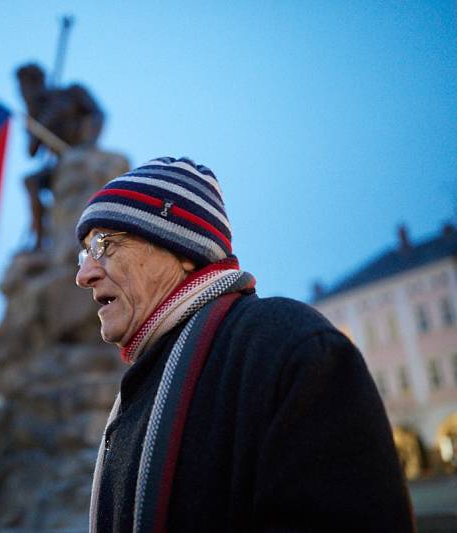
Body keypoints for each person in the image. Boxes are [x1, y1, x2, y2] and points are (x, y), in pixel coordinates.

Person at [75, 157, 414, 532]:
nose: (83, 274)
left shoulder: (287, 346)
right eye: (84, 252)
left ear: (183, 250)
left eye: (104, 245)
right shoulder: (145, 382)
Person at [17, 63, 104, 250]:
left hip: (80, 152)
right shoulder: (36, 114)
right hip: (59, 164)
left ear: (38, 83)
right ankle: (40, 241)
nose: (24, 93)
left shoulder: (70, 93)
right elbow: (32, 151)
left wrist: (87, 142)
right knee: (30, 182)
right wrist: (42, 122)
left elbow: (98, 115)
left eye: (26, 86)